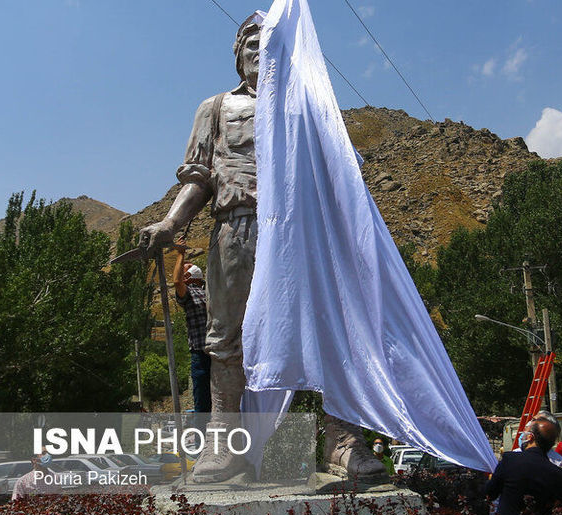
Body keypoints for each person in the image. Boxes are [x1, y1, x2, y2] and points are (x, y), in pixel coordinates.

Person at [138, 13, 384, 482]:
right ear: (237, 54)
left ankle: (342, 441)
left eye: (267, 44)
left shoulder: (306, 107)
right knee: (226, 338)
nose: (257, 51)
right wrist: (172, 223)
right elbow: (199, 176)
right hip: (237, 228)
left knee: (328, 332)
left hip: (299, 233)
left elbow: (339, 174)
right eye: (249, 43)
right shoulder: (215, 108)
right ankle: (225, 444)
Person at [485, 418, 562, 515]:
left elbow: (491, 492)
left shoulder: (510, 460)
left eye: (525, 432)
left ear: (530, 437)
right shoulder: (561, 475)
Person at [173, 240, 210, 431]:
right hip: (220, 353)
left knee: (202, 403)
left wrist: (180, 254)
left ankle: (202, 443)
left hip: (200, 354)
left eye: (183, 270)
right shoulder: (210, 293)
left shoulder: (190, 295)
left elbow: (176, 281)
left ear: (188, 276)